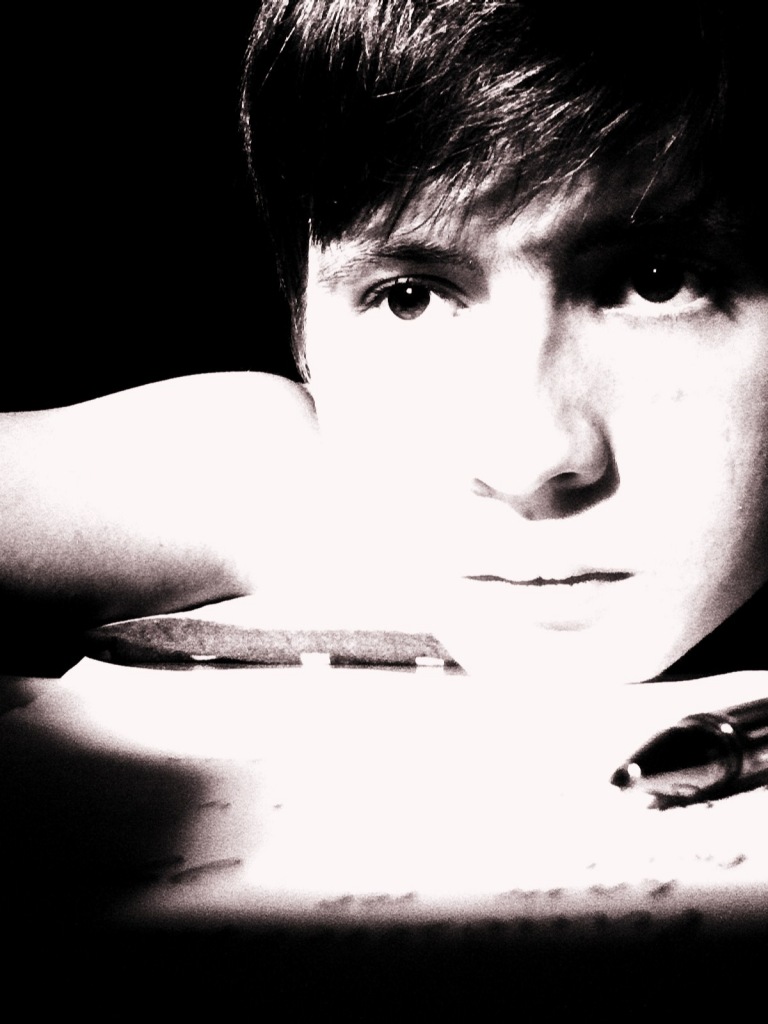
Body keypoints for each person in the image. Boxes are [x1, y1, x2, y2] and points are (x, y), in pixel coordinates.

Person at [1, 0, 765, 682]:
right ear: (302, 332)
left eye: (657, 283)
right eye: (409, 299)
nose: (525, 461)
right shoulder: (306, 494)